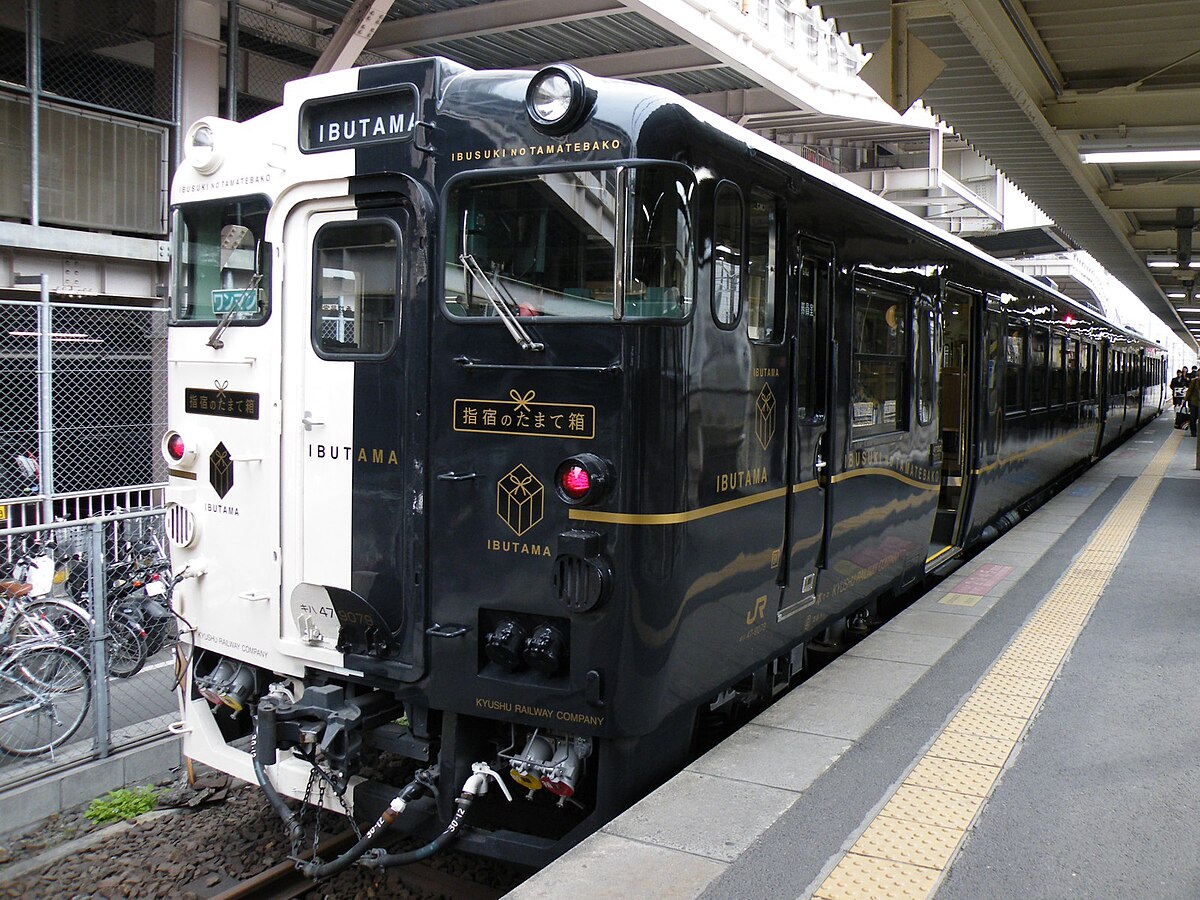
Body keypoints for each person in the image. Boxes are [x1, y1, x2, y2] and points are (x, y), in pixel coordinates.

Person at [1186, 373, 1200, 438]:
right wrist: (1185, 399)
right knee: (1193, 418)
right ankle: (1193, 432)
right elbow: (1189, 391)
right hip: (1194, 403)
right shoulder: (1194, 381)